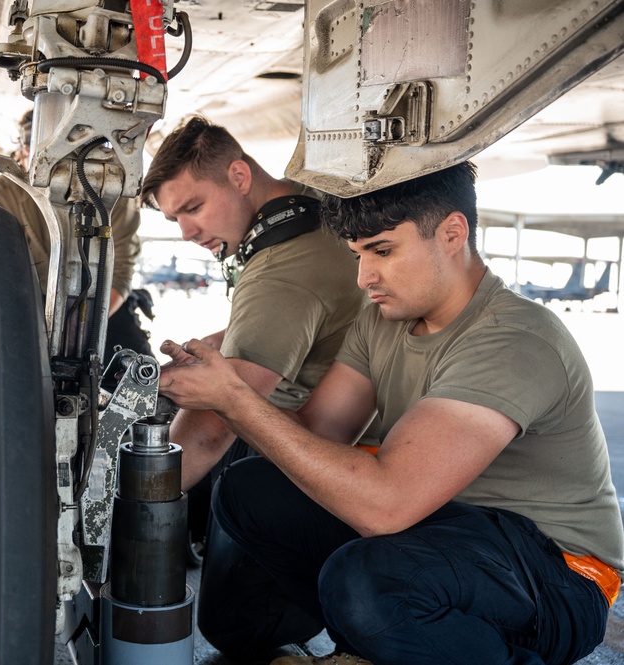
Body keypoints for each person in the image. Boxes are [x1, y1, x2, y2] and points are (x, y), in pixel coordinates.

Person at [158, 161, 624, 664]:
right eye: (358, 254)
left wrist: (234, 399)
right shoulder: (382, 322)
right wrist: (221, 388)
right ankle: (361, 642)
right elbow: (317, 433)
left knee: (366, 580)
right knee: (250, 489)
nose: (363, 277)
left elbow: (386, 507)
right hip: (440, 533)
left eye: (382, 251)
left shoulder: (514, 340)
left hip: (553, 573)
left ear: (451, 233)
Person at [141, 115, 370, 657]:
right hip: (331, 433)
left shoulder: (281, 272)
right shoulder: (309, 201)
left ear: (240, 176)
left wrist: (130, 507)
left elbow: (213, 427)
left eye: (193, 208)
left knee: (237, 629)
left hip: (312, 457)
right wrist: (220, 343)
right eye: (175, 217)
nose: (187, 232)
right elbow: (298, 321)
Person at [0, 110, 152, 367]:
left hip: (103, 306)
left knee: (137, 375)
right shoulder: (2, 191)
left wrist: (88, 327)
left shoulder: (115, 191)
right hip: (32, 308)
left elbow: (121, 271)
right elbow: (1, 272)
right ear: (25, 153)